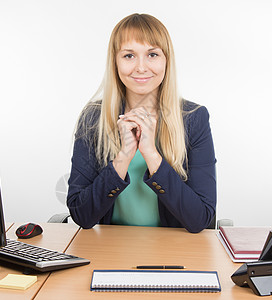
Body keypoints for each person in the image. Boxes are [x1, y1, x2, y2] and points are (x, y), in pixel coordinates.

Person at [66, 13, 216, 233]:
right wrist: (124, 156)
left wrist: (152, 155)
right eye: (129, 56)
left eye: (152, 54)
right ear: (115, 61)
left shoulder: (193, 118)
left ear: (166, 60)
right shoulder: (93, 119)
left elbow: (200, 219)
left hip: (173, 252)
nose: (141, 67)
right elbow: (82, 215)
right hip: (110, 249)